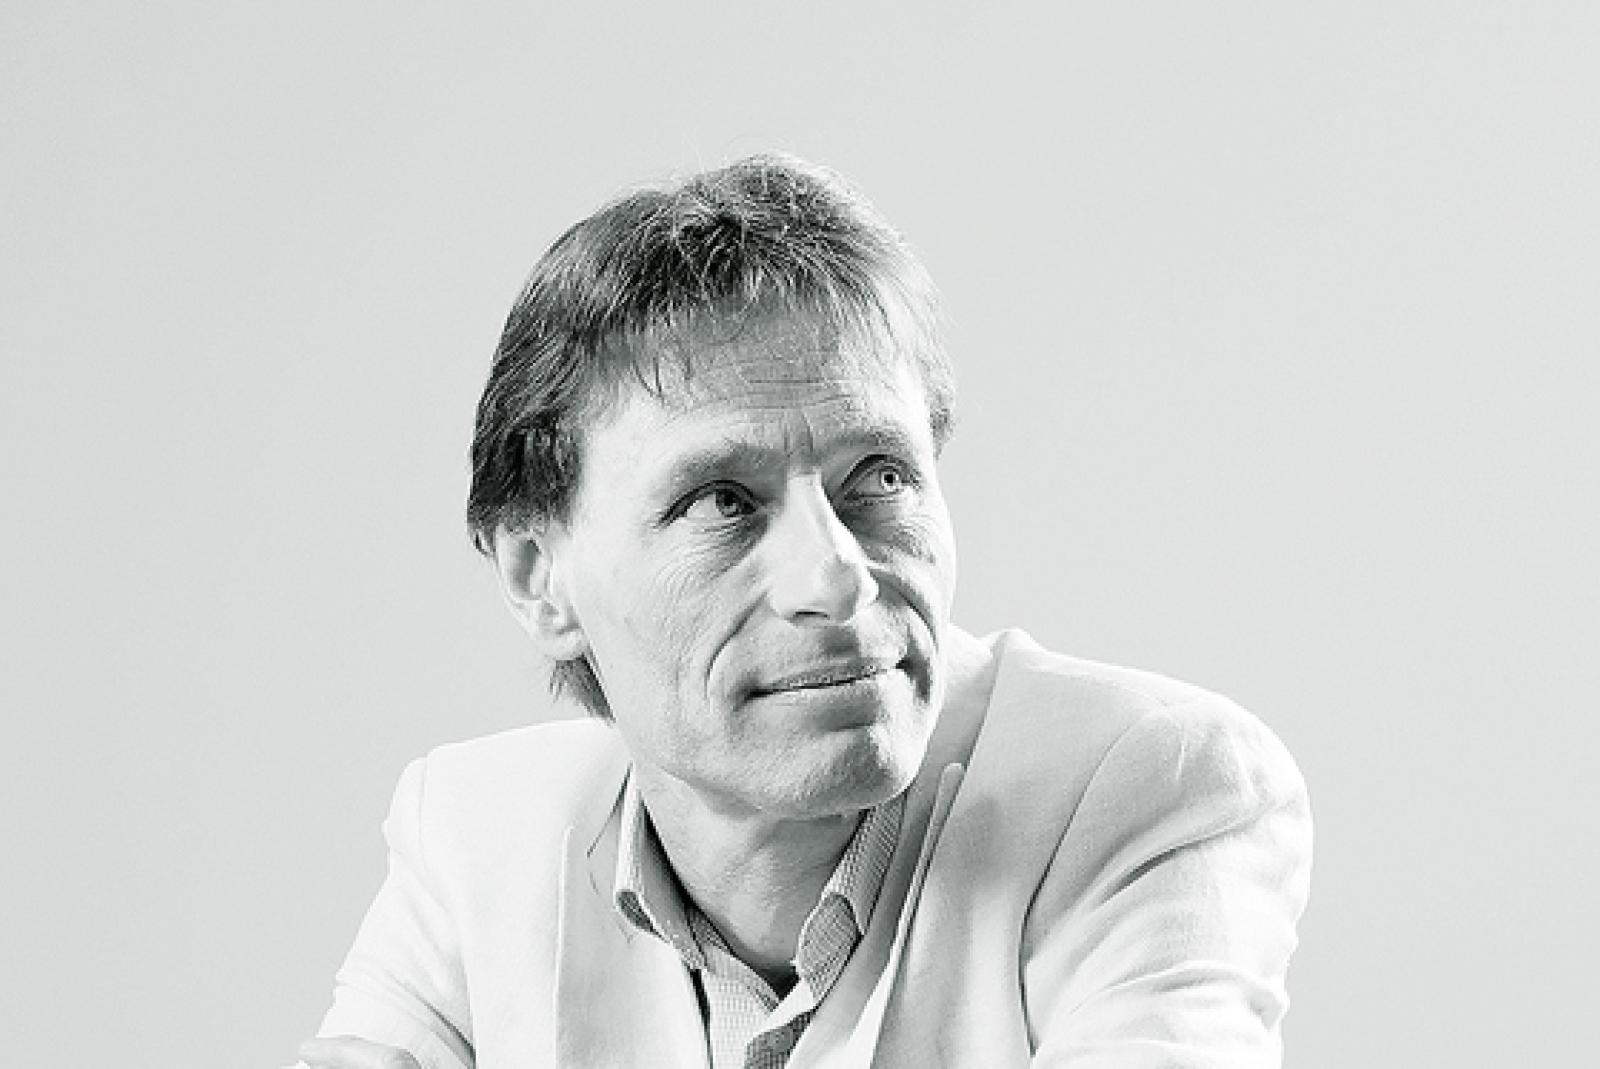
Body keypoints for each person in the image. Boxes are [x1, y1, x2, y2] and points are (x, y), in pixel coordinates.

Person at [292, 154, 1312, 1069]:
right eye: (721, 502)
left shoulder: (1153, 789)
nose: (835, 579)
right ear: (539, 578)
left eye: (880, 477)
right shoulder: (474, 837)